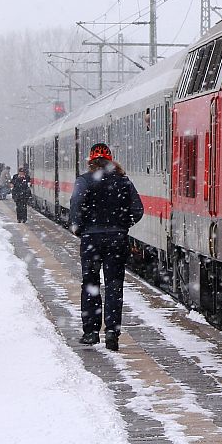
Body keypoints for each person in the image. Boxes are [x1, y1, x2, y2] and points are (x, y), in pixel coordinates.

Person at [70, 143, 143, 351]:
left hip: (91, 240)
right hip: (116, 239)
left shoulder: (84, 181)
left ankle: (91, 332)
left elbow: (76, 204)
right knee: (114, 285)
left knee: (90, 284)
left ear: (91, 161)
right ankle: (112, 332)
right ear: (111, 161)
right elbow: (138, 209)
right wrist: (123, 225)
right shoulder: (123, 181)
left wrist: (79, 227)